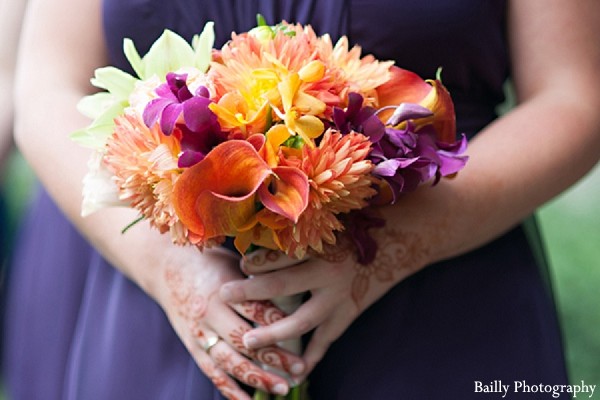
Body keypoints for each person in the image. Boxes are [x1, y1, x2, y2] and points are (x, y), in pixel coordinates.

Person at [4, 0, 600, 399]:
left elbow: (576, 98)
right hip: (140, 280)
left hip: (439, 296)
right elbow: (49, 87)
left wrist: (383, 253)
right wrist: (171, 270)